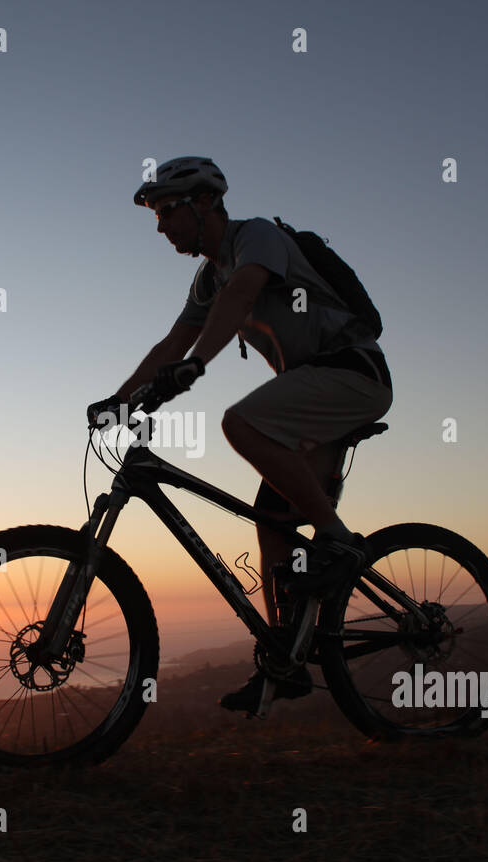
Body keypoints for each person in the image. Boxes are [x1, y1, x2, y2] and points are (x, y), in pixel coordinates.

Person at [87, 156, 393, 714]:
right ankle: (287, 659)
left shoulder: (258, 239)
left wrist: (198, 365)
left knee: (242, 423)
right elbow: (169, 345)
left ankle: (337, 539)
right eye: (156, 215)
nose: (161, 226)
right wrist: (120, 399)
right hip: (314, 391)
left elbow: (243, 296)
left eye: (167, 211)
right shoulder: (208, 277)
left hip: (354, 373)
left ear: (204, 203)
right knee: (272, 521)